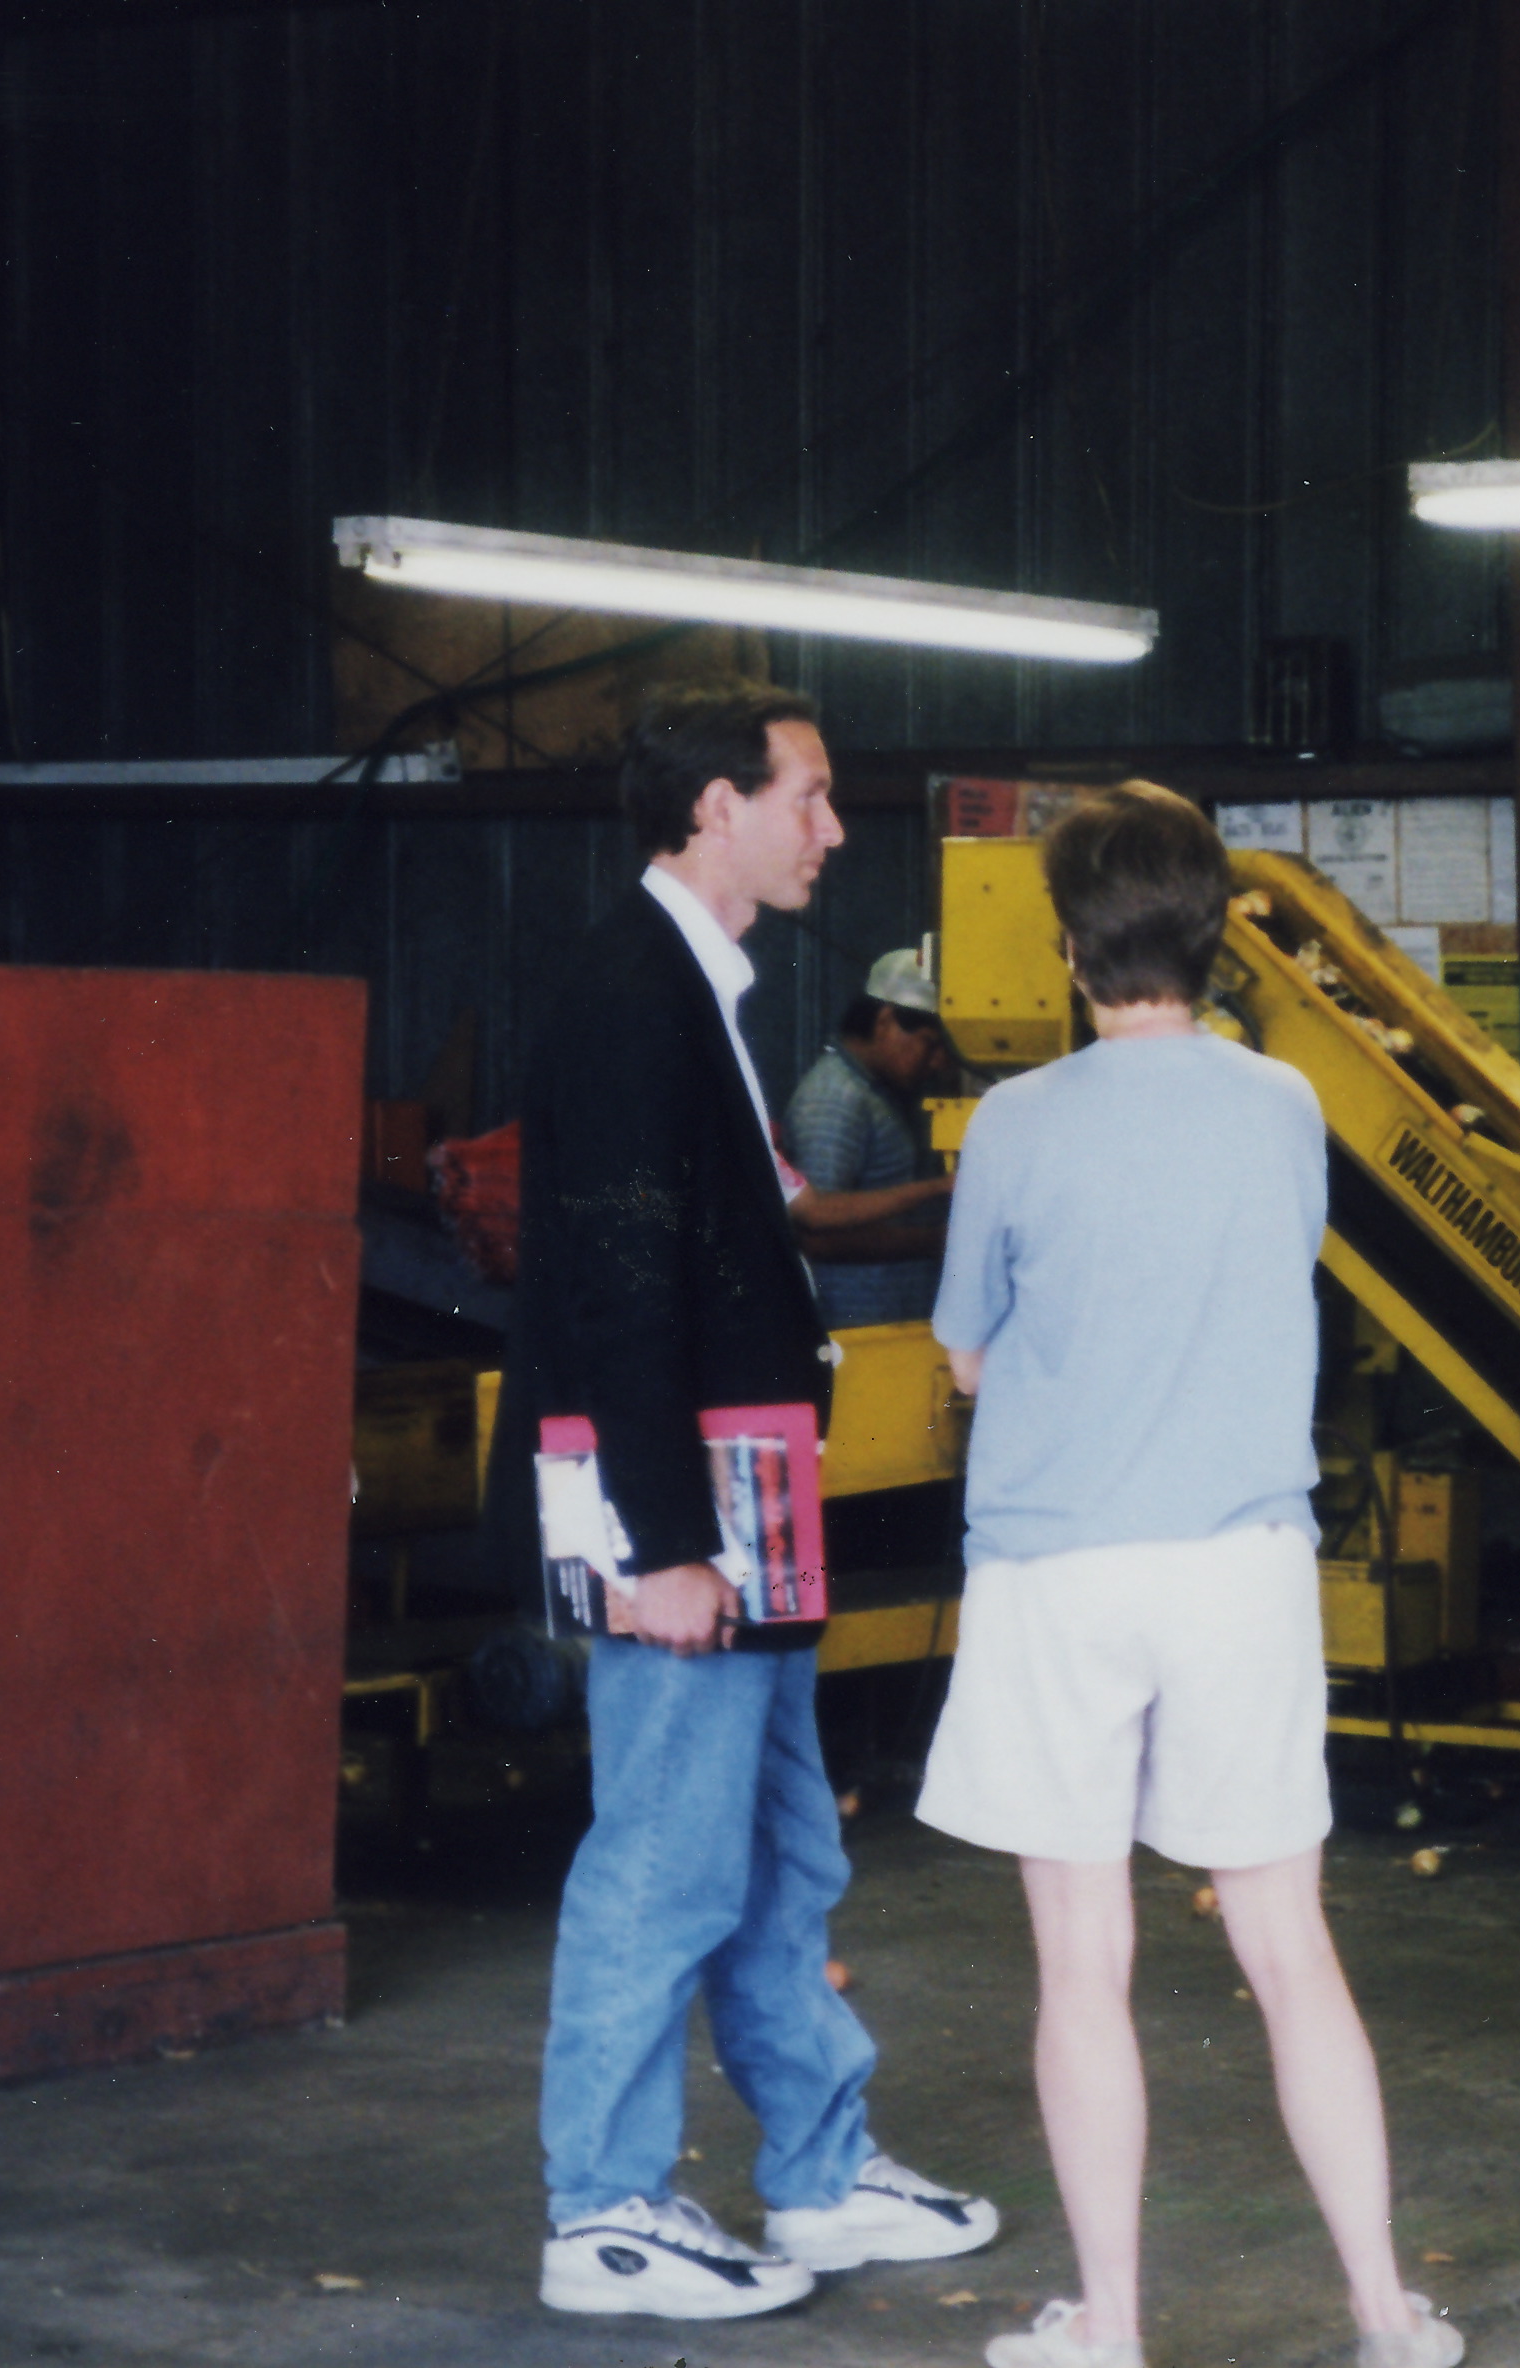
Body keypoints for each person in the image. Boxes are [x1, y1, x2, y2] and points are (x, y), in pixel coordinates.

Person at [917, 782, 1463, 2368]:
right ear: (1217, 936)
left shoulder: (1016, 1123)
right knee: (1289, 1948)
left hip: (1060, 1567)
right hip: (1241, 1563)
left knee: (1083, 1961)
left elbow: (964, 1352)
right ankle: (1385, 2315)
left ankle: (1111, 2326)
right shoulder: (1281, 1103)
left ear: (1069, 945)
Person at [491, 683, 999, 2323]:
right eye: (810, 796)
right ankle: (604, 2209)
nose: (832, 830)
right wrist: (665, 1546)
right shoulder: (630, 998)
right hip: (686, 1510)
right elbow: (618, 1288)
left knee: (781, 1848)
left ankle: (820, 2171)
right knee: (665, 1855)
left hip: (748, 1482)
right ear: (716, 805)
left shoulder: (696, 986)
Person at [783, 947, 959, 1328]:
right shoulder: (835, 1099)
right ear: (884, 1022)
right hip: (854, 1330)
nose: (939, 1062)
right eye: (929, 1043)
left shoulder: (882, 1093)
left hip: (892, 1324)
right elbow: (817, 1237)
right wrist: (933, 1240)